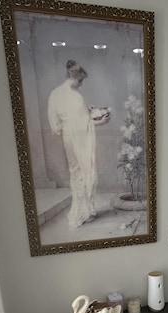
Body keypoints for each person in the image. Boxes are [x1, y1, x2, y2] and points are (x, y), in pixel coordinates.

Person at [48, 60, 110, 228]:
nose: (81, 85)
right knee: (86, 170)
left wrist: (78, 119)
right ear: (74, 77)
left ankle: (80, 211)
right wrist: (101, 121)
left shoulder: (54, 94)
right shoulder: (75, 97)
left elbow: (55, 125)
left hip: (68, 137)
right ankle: (84, 212)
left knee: (75, 173)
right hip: (79, 138)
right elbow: (84, 123)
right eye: (80, 81)